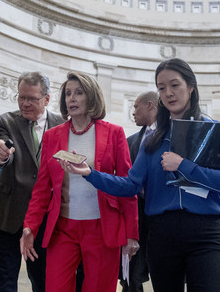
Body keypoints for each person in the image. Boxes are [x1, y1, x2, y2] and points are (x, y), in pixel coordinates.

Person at [62, 60, 220, 292]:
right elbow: (130, 185)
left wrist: (183, 165)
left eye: (175, 85)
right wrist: (90, 174)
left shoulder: (214, 130)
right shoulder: (153, 138)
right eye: (161, 88)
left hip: (206, 234)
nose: (168, 93)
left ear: (191, 87)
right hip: (162, 235)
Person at [21, 71, 139, 292]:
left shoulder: (114, 133)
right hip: (63, 227)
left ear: (91, 96)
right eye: (67, 94)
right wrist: (30, 226)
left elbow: (127, 186)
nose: (71, 98)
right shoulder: (52, 136)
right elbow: (42, 189)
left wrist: (132, 233)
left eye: (78, 93)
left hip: (102, 227)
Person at [0, 71, 64, 292]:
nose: (25, 103)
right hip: (7, 214)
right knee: (3, 281)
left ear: (47, 99)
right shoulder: (5, 121)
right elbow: (2, 150)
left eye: (32, 98)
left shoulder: (63, 125)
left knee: (43, 281)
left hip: (45, 218)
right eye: (21, 97)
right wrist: (1, 155)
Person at [121, 91, 157, 292]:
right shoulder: (131, 141)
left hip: (164, 221)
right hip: (136, 219)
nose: (133, 112)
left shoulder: (173, 135)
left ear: (150, 105)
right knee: (130, 278)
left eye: (136, 107)